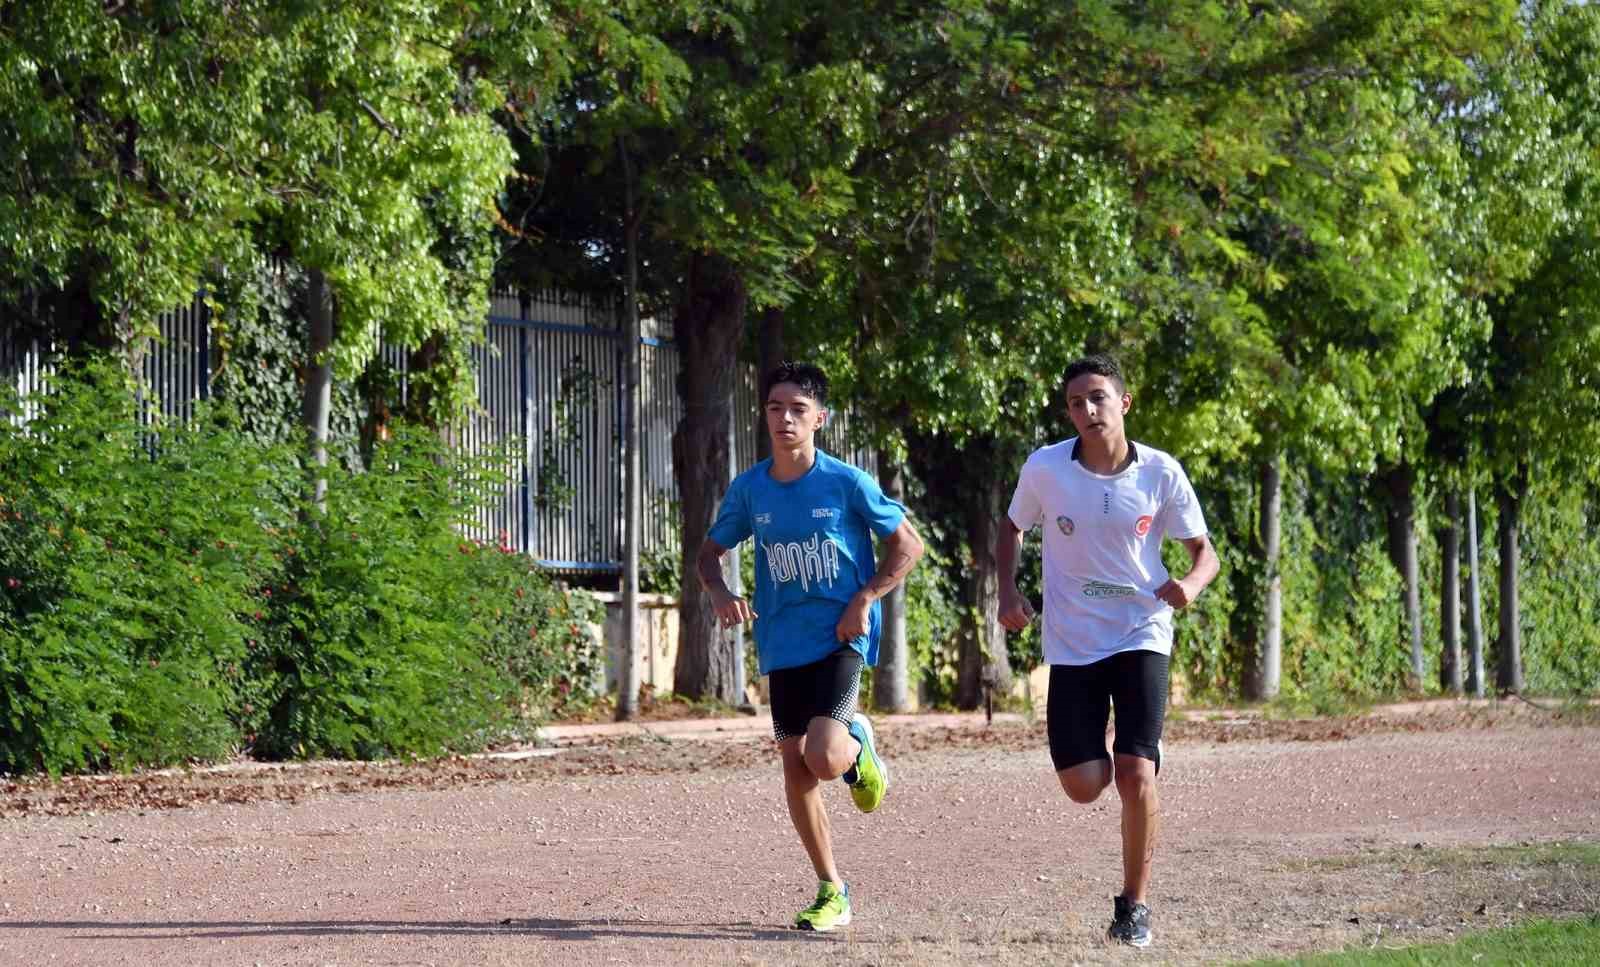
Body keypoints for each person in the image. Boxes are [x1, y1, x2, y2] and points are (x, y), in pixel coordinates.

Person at [995, 353, 1219, 949]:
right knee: (1084, 784)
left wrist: (1190, 586)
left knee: (1132, 771)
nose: (1087, 410)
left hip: (1142, 629)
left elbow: (1206, 553)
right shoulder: (1045, 469)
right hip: (1072, 642)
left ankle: (1133, 906)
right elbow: (1013, 526)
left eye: (1098, 397)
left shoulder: (1161, 473)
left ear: (1124, 402)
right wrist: (1008, 589)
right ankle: (1133, 756)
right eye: (1075, 402)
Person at [698, 361, 925, 933]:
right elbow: (708, 555)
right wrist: (723, 593)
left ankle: (855, 741)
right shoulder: (750, 489)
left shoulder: (846, 482)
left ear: (819, 418)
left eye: (798, 409)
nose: (785, 418)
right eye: (775, 408)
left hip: (840, 635)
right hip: (781, 642)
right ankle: (832, 890)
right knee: (795, 770)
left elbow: (907, 545)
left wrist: (866, 597)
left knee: (822, 757)